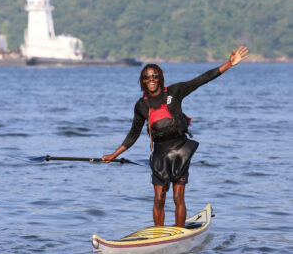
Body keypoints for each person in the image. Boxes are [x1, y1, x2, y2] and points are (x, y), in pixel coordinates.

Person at [103, 46, 248, 227]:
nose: (151, 80)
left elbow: (201, 80)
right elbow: (133, 134)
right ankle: (158, 235)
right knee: (158, 198)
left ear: (160, 78)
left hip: (180, 151)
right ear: (142, 81)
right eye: (147, 77)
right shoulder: (141, 105)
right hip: (159, 154)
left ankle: (179, 233)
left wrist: (229, 64)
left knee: (178, 196)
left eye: (155, 76)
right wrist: (113, 155)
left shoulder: (175, 91)